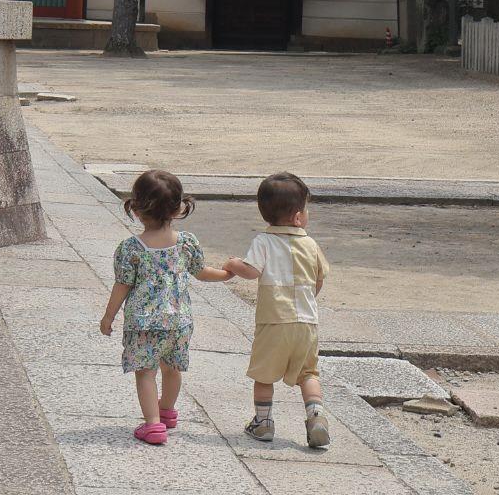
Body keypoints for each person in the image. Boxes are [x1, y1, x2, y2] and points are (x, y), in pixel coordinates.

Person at [99, 168, 232, 445]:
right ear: (176, 209)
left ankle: (153, 426)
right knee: (172, 368)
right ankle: (167, 412)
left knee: (146, 372)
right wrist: (226, 274)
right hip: (179, 321)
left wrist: (108, 316)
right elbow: (201, 271)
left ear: (136, 209)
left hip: (144, 322)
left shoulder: (130, 248)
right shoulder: (186, 243)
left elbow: (122, 285)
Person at [222, 171, 331, 448]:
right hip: (307, 323)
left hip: (274, 322)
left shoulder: (264, 241)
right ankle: (316, 417)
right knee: (309, 374)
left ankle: (263, 422)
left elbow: (251, 271)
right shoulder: (311, 244)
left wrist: (233, 264)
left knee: (264, 375)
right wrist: (307, 299)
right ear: (298, 217)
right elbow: (319, 279)